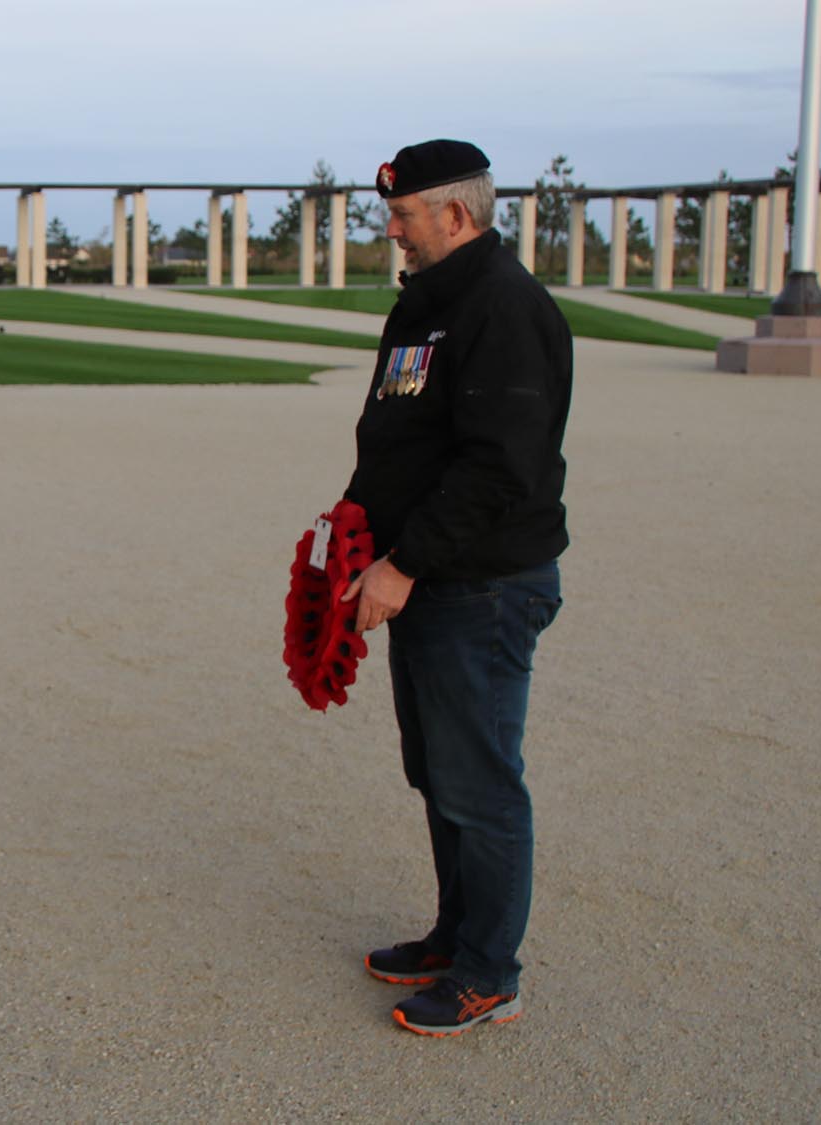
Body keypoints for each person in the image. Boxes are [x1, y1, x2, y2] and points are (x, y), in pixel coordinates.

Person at [336, 139, 572, 1037]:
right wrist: (350, 526)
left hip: (482, 584)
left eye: (402, 215)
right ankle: (456, 933)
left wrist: (402, 562)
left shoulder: (502, 308)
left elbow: (496, 469)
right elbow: (398, 436)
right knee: (437, 773)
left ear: (456, 216)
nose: (390, 229)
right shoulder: (430, 306)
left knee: (479, 783)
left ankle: (488, 974)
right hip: (430, 576)